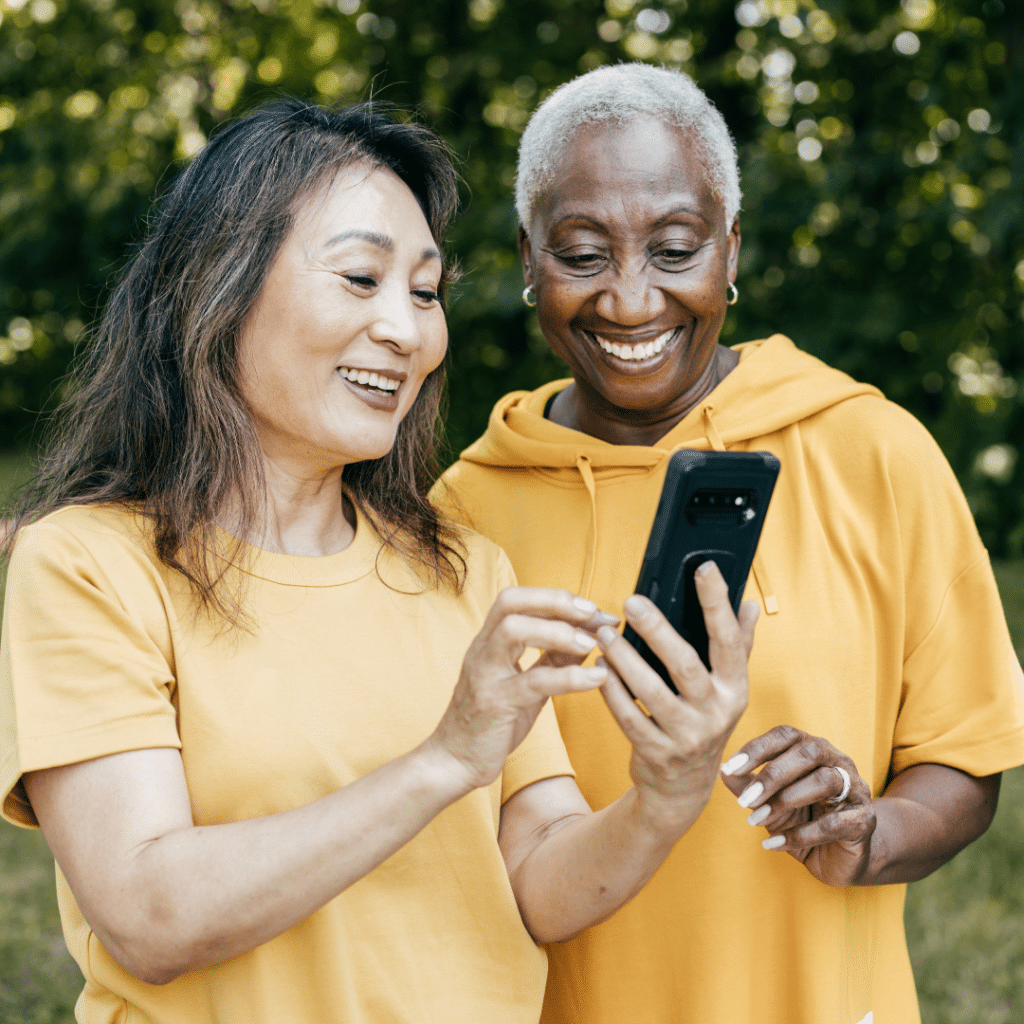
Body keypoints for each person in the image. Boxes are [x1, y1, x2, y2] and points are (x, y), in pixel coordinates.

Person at [0, 99, 759, 1024]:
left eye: (426, 291)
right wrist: (445, 759)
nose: (407, 329)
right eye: (361, 277)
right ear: (217, 286)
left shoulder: (466, 572)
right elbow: (152, 918)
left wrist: (666, 790)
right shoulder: (87, 566)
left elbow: (537, 885)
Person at [436, 64, 1024, 1024]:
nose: (631, 302)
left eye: (674, 248)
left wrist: (870, 831)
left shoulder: (871, 450)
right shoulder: (460, 514)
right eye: (582, 254)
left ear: (729, 247)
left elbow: (963, 762)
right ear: (529, 258)